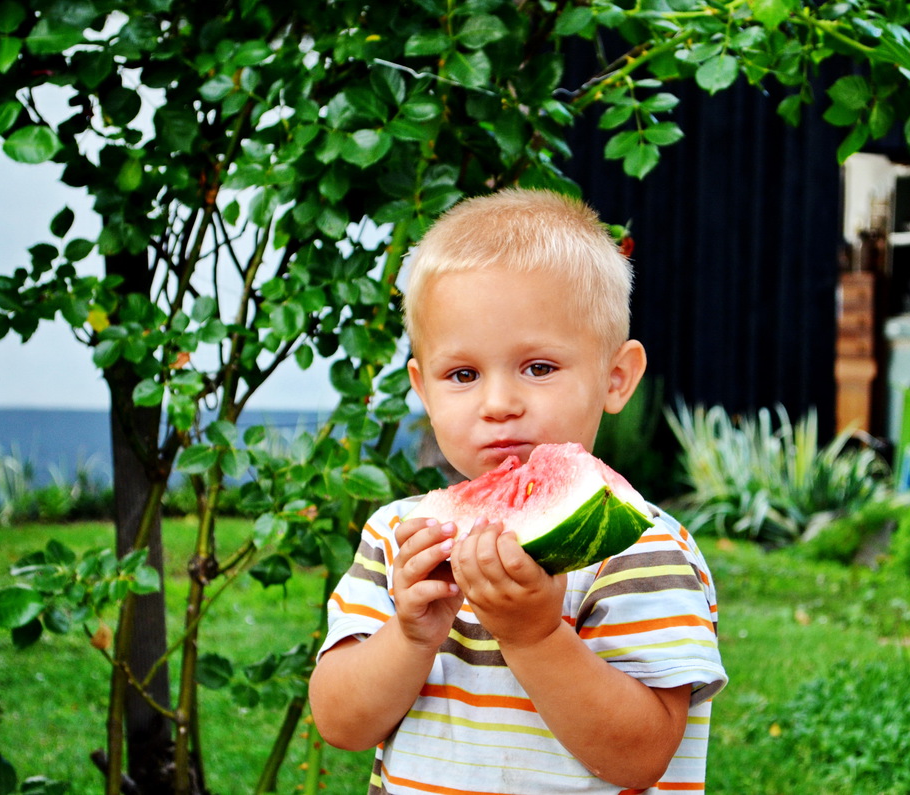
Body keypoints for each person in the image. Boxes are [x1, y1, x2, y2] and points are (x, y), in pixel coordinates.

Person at [308, 189, 727, 794]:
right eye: (463, 374)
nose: (499, 403)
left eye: (538, 367)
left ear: (615, 378)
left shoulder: (643, 549)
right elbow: (341, 723)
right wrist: (409, 636)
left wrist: (535, 635)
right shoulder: (401, 539)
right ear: (424, 391)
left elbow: (642, 756)